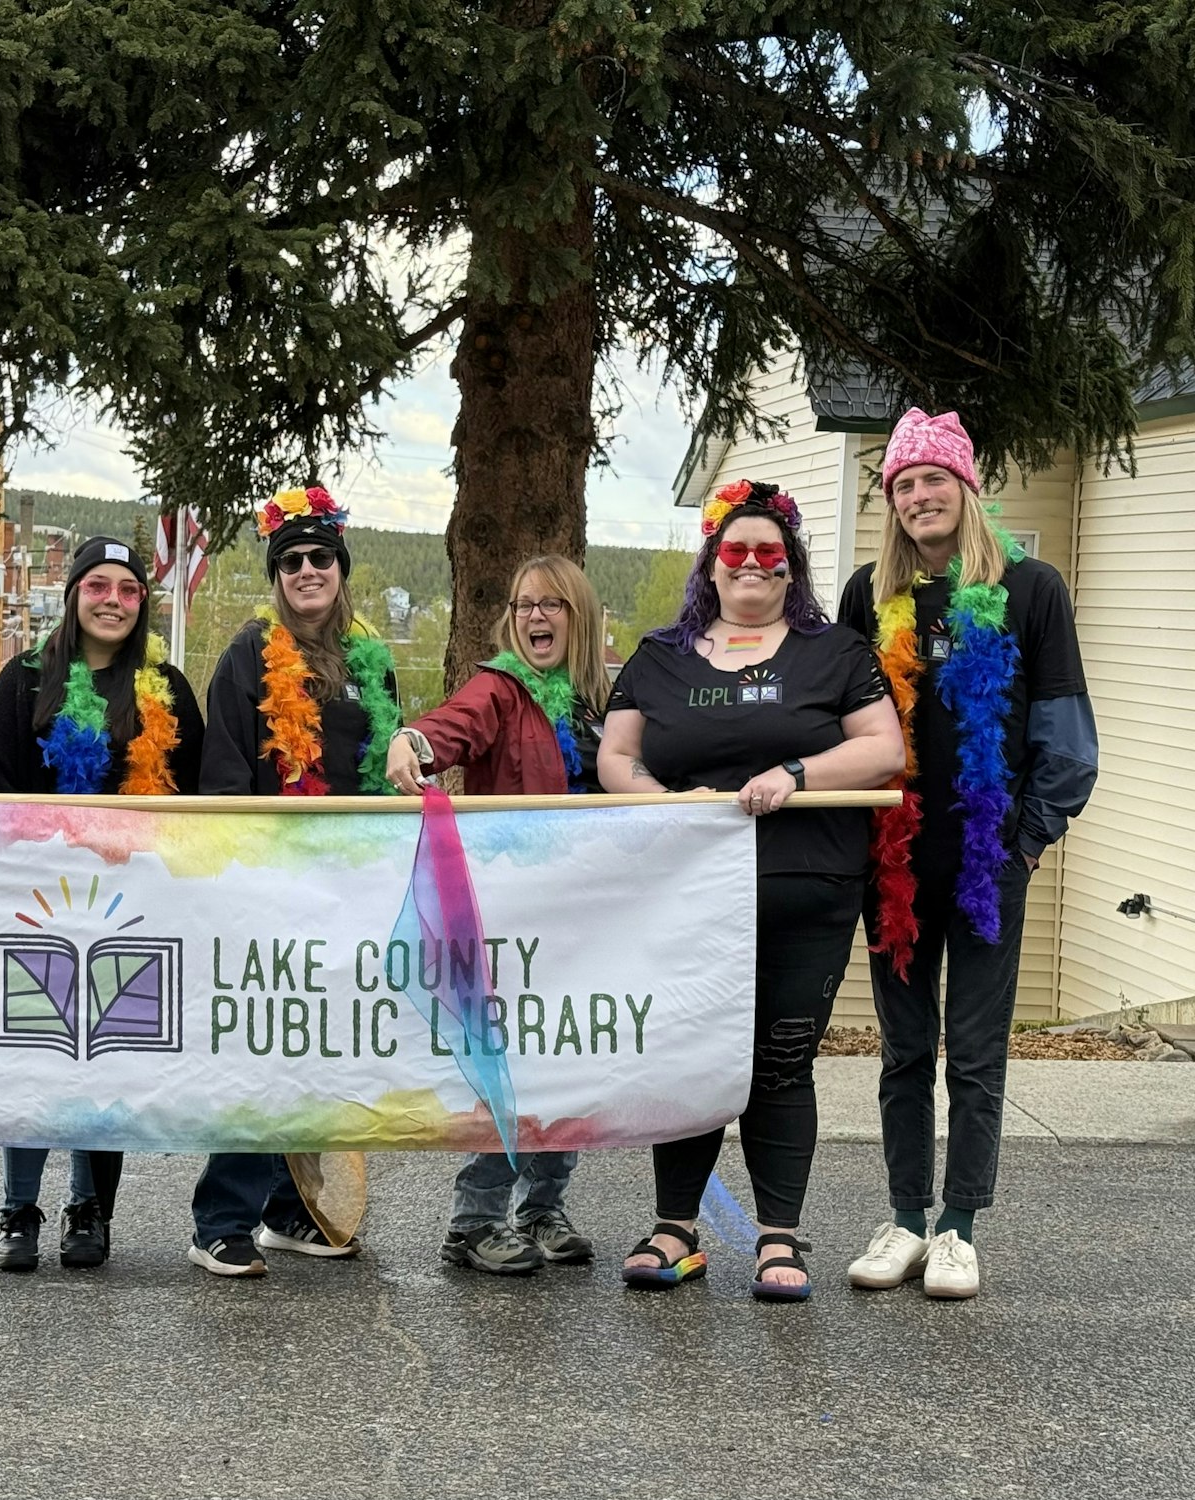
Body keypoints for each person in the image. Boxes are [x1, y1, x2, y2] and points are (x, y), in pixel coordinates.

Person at [599, 480, 903, 1300]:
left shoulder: (835, 653)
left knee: (779, 1060)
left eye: (771, 552)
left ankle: (778, 1238)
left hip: (805, 888)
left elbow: (883, 750)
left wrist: (796, 772)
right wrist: (669, 807)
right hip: (686, 894)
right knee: (691, 1054)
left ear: (791, 566)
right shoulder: (659, 657)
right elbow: (617, 760)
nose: (752, 564)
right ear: (712, 563)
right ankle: (676, 1232)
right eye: (736, 550)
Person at [837, 410, 1096, 1300]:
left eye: (932, 480)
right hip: (896, 862)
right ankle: (906, 1218)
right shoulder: (870, 594)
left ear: (966, 489)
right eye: (903, 485)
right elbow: (840, 722)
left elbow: (1064, 727)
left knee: (977, 1054)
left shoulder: (1031, 589)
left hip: (989, 859)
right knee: (904, 1051)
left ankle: (959, 1227)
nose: (918, 497)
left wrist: (1026, 843)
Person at [0, 534, 205, 1272]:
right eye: (97, 586)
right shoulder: (23, 681)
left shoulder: (164, 687)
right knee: (31, 1050)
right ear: (74, 596)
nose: (112, 601)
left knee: (107, 1054)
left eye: (128, 590)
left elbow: (195, 802)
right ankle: (18, 1208)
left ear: (142, 602)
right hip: (38, 900)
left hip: (131, 904)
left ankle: (89, 1207)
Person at [189, 485, 400, 1278]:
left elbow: (385, 769)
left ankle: (291, 1212)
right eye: (291, 562)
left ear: (341, 570)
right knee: (260, 1046)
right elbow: (225, 779)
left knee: (319, 1045)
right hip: (270, 880)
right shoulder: (250, 654)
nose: (307, 571)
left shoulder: (371, 660)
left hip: (347, 883)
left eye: (320, 559)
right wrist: (247, 875)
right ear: (275, 578)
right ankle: (221, 1218)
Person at [385, 554, 609, 1276]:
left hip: (589, 909)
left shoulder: (605, 696)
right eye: (523, 605)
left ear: (580, 617)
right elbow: (452, 725)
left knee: (571, 1056)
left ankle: (543, 1207)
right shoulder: (502, 690)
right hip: (514, 908)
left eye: (551, 605)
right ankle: (473, 1219)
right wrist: (413, 742)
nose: (535, 616)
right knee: (509, 1061)